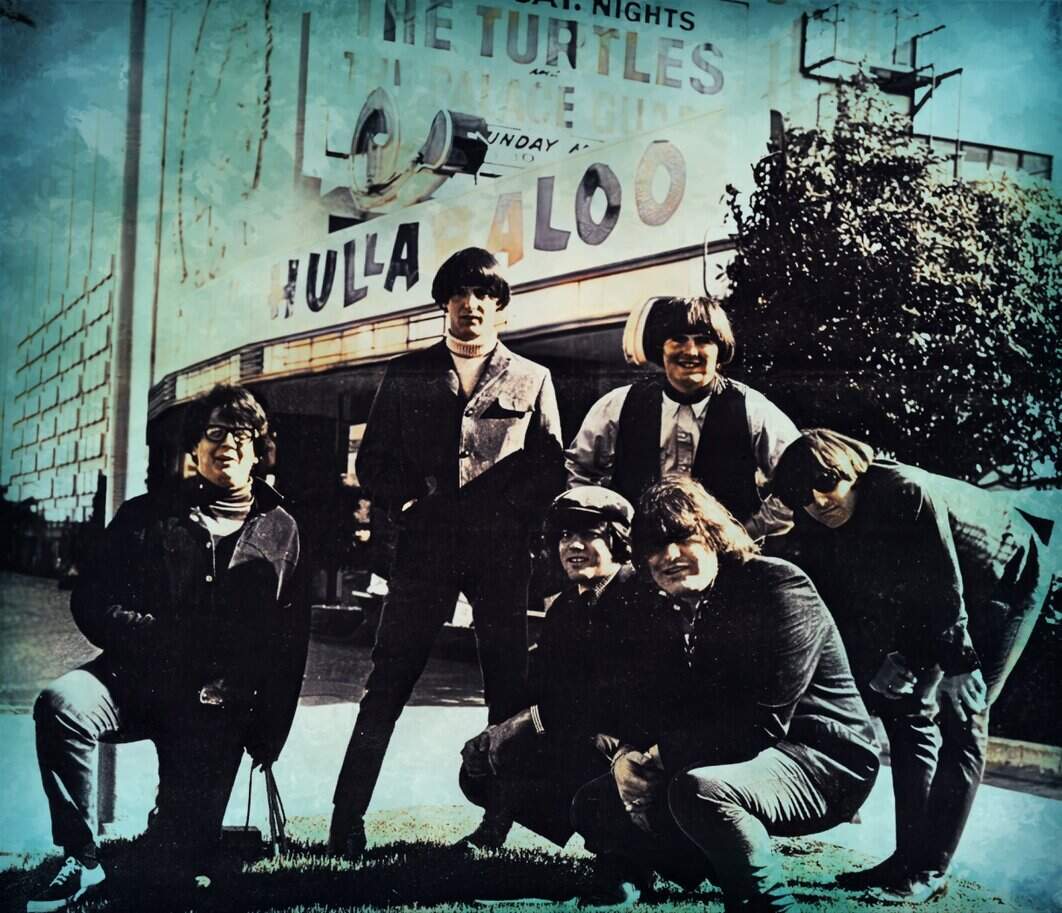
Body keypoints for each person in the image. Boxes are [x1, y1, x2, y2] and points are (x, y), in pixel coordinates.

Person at [29, 384, 307, 911]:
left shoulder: (283, 531)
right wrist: (153, 637)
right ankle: (82, 858)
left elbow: (290, 641)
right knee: (62, 705)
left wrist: (270, 732)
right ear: (194, 450)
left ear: (258, 449)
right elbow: (91, 599)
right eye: (214, 433)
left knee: (177, 866)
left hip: (214, 707)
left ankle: (174, 833)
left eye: (240, 433)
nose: (227, 443)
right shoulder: (144, 516)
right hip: (133, 681)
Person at [329, 246, 565, 858]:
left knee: (507, 688)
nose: (471, 308)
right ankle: (344, 822)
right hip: (424, 552)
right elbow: (372, 462)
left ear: (501, 309)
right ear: (444, 306)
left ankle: (496, 827)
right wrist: (408, 504)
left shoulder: (533, 379)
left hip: (502, 556)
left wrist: (511, 515)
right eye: (458, 296)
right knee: (388, 683)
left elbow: (549, 467)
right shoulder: (406, 373)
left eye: (484, 297)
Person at [769, 429, 1056, 904]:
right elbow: (864, 599)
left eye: (826, 483)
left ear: (852, 471)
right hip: (938, 599)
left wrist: (961, 665)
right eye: (803, 496)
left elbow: (944, 585)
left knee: (965, 719)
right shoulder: (824, 522)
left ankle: (930, 869)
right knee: (904, 712)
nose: (818, 502)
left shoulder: (903, 490)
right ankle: (906, 859)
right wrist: (889, 661)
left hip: (1006, 580)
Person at [571, 476, 880, 911]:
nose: (670, 556)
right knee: (596, 799)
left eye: (682, 538)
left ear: (713, 535)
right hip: (735, 756)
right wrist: (627, 758)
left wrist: (658, 759)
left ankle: (768, 903)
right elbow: (647, 703)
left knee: (700, 790)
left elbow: (764, 721)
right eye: (655, 548)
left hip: (823, 761)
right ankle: (635, 874)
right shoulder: (668, 605)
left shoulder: (777, 585)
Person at [456, 486, 668, 857]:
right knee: (480, 768)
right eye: (565, 535)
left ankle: (631, 854)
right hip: (582, 737)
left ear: (619, 541)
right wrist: (493, 733)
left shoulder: (644, 597)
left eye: (588, 534)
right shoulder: (568, 605)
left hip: (639, 752)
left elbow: (616, 698)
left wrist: (528, 723)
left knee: (546, 745)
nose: (572, 546)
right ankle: (495, 829)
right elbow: (538, 684)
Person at [565, 295, 798, 540]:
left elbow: (797, 480)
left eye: (704, 341)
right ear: (660, 347)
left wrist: (745, 533)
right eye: (678, 339)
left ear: (720, 350)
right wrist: (604, 530)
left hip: (728, 562)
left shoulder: (752, 408)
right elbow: (579, 468)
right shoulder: (619, 404)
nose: (690, 351)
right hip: (640, 559)